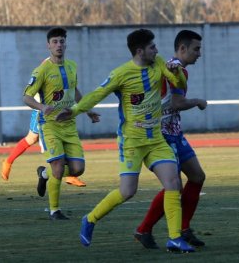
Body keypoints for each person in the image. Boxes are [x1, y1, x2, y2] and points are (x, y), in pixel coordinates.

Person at [56, 29, 195, 253]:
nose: (157, 50)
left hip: (156, 140)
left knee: (173, 184)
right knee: (127, 191)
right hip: (132, 141)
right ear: (140, 51)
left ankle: (175, 238)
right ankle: (90, 219)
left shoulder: (159, 63)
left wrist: (176, 71)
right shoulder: (121, 74)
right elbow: (96, 94)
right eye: (152, 47)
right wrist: (74, 111)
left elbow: (178, 84)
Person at [134, 30, 207, 249]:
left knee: (197, 176)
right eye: (196, 49)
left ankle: (184, 229)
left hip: (174, 132)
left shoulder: (178, 68)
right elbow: (176, 103)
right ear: (182, 48)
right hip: (162, 134)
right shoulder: (175, 69)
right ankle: (143, 229)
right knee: (172, 186)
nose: (199, 54)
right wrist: (198, 101)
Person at [23, 27, 99, 220]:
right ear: (48, 45)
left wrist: (88, 110)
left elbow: (75, 91)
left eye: (62, 41)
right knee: (58, 165)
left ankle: (44, 174)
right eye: (55, 42)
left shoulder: (72, 66)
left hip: (69, 125)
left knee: (78, 169)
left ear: (66, 44)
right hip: (50, 125)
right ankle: (54, 210)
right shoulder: (42, 70)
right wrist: (42, 107)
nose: (59, 45)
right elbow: (26, 97)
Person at [1, 110, 87, 188]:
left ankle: (70, 175)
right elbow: (28, 97)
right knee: (32, 138)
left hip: (58, 109)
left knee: (62, 136)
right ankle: (8, 161)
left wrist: (86, 108)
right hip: (42, 112)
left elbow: (74, 92)